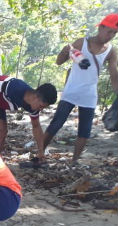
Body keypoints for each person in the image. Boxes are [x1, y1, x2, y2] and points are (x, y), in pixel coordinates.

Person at [40, 13, 118, 162]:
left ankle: (75, 161)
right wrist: (65, 51)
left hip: (89, 94)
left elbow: (113, 73)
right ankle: (39, 153)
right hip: (72, 90)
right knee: (56, 123)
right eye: (109, 31)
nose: (111, 35)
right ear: (101, 27)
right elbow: (59, 61)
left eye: (114, 33)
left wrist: (117, 92)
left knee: (85, 131)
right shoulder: (82, 42)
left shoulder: (110, 51)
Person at [0, 76, 57, 157]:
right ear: (36, 97)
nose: (40, 109)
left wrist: (41, 151)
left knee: (2, 132)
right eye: (41, 106)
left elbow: (36, 126)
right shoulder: (14, 87)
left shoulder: (32, 107)